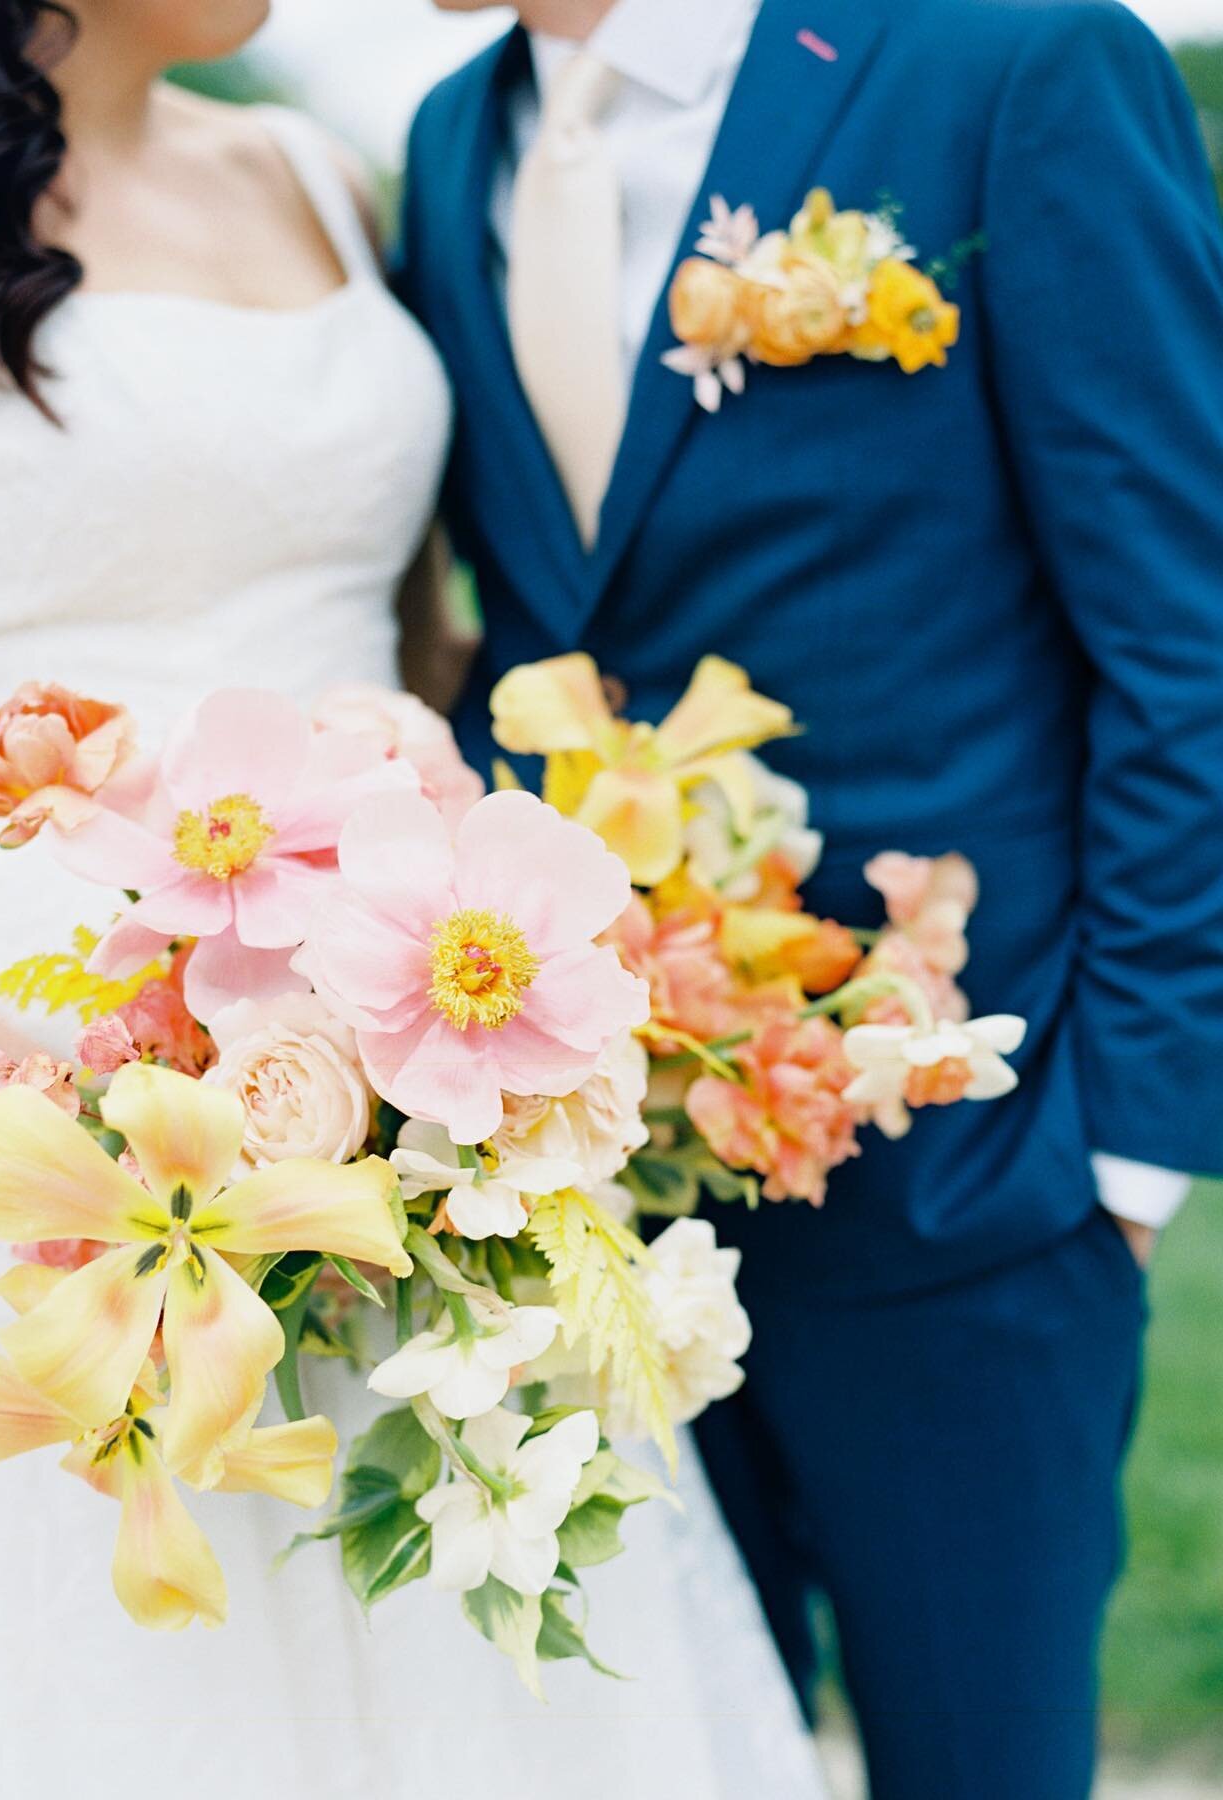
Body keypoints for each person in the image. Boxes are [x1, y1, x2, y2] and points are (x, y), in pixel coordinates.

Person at [0, 4, 829, 1796]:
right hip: (23, 1064)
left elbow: (407, 634)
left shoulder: (320, 176)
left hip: (415, 1079)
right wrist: (109, 1171)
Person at [403, 0, 1223, 1795]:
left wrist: (1123, 1162)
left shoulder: (1013, 64)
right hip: (584, 1199)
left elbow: (1193, 631)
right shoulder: (455, 135)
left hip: (972, 1185)